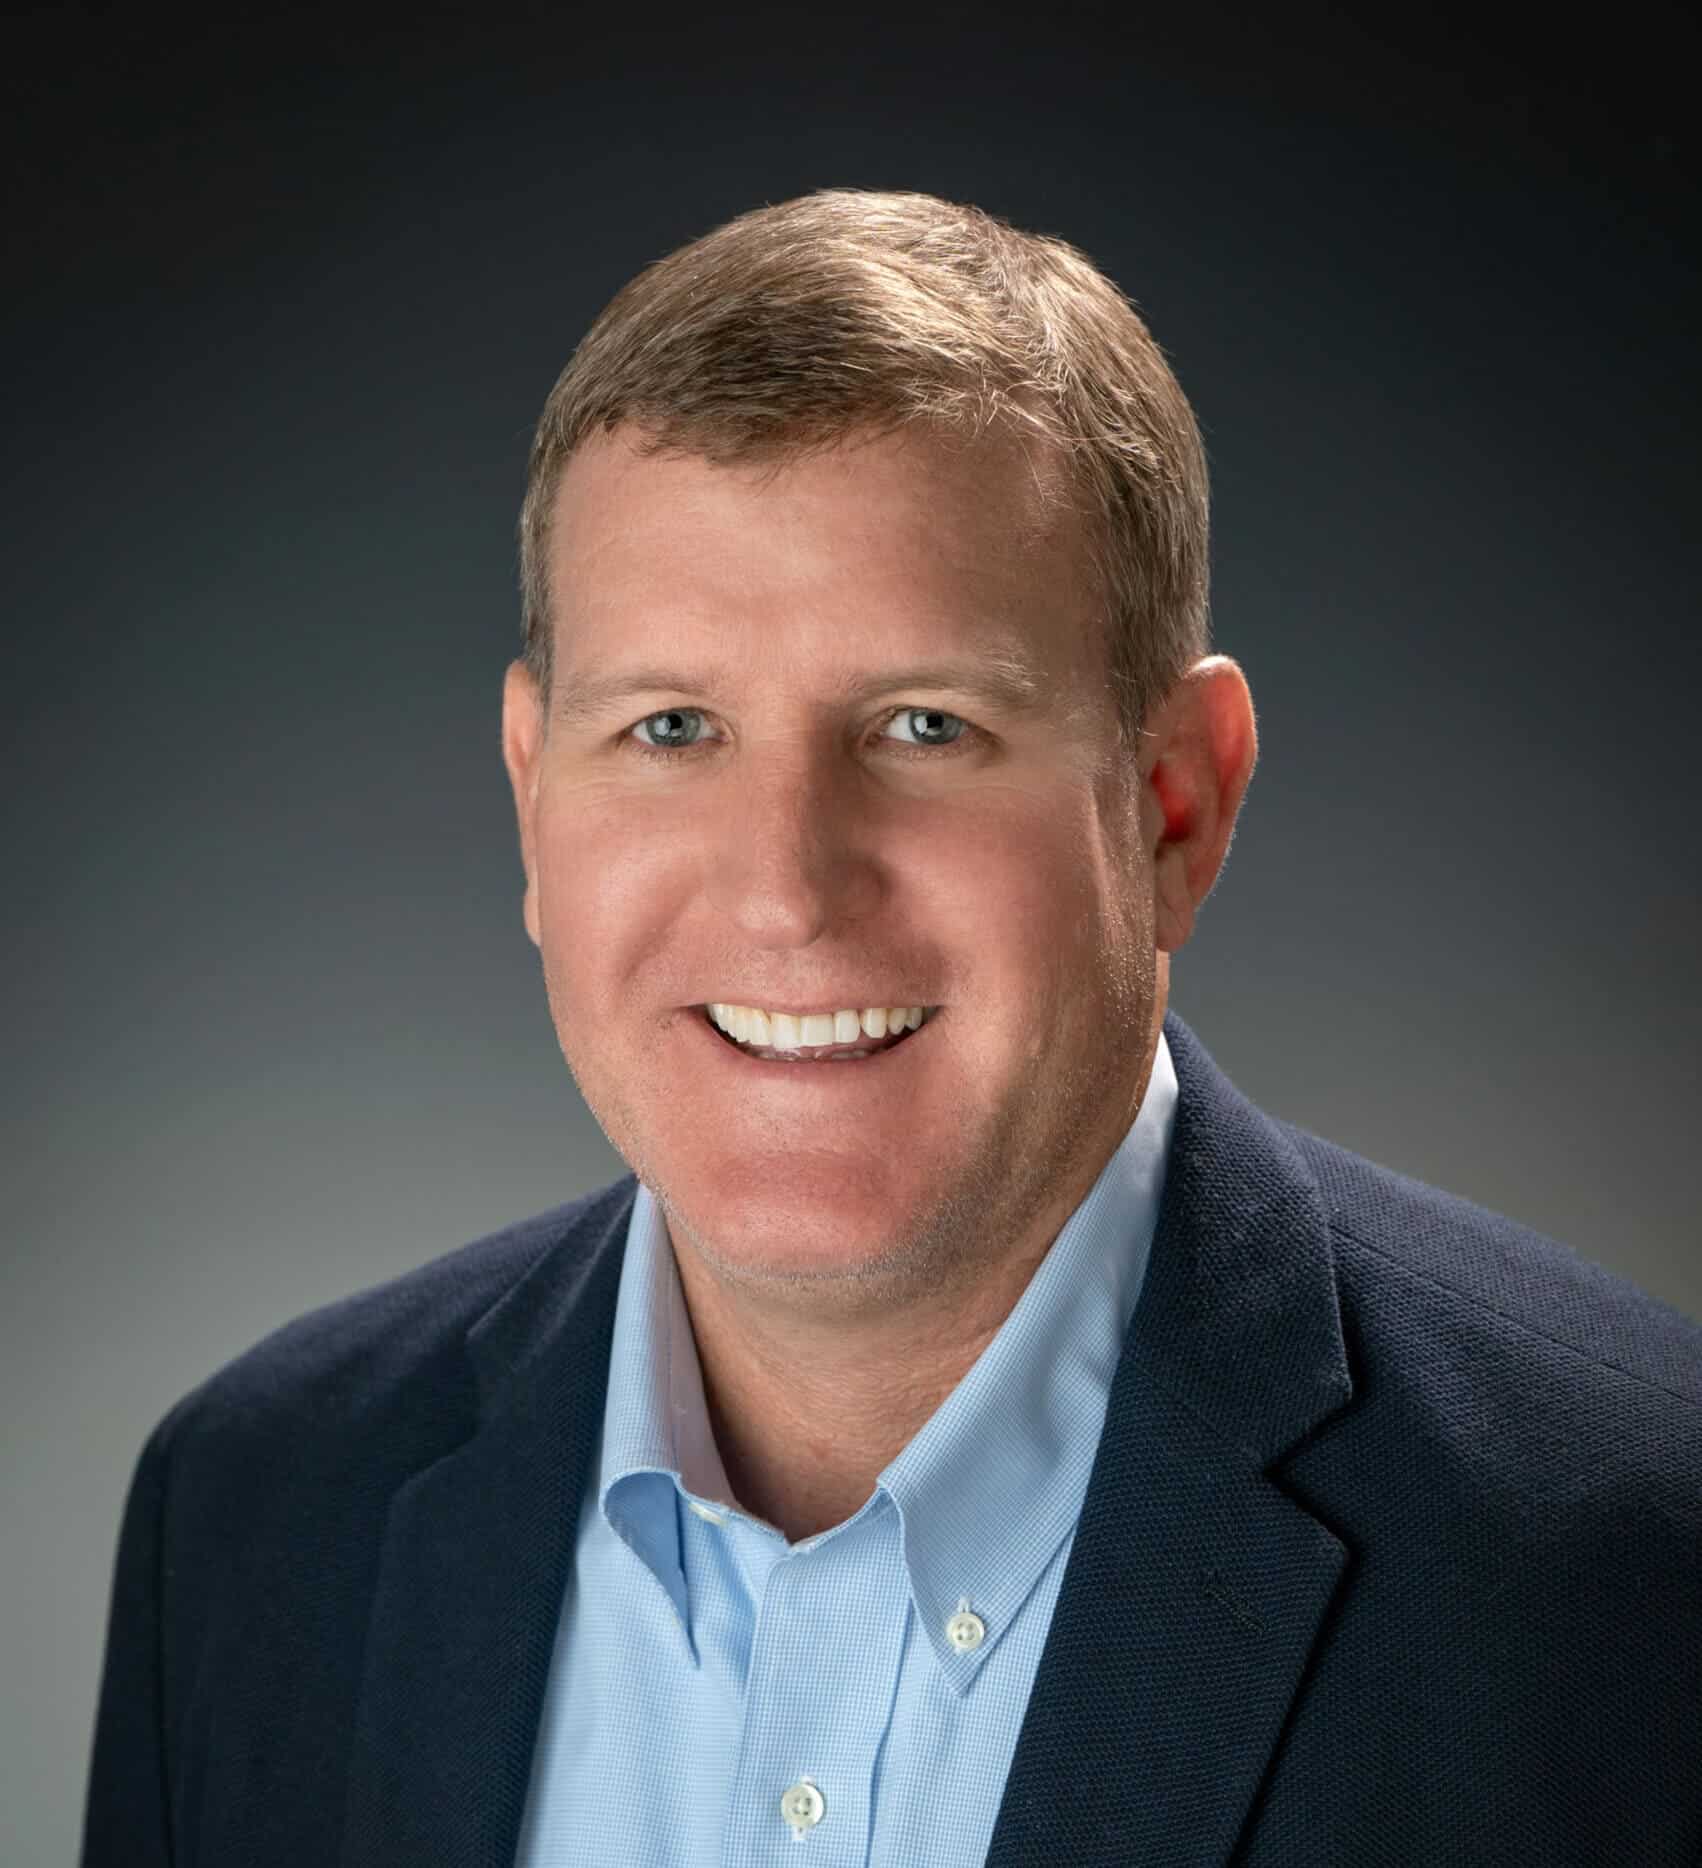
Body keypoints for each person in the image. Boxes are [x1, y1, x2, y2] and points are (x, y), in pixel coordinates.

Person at [82, 189, 1701, 1868]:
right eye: (671, 726)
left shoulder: (1634, 1579)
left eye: (925, 724)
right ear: (527, 796)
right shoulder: (256, 1515)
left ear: (1173, 810)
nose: (785, 892)